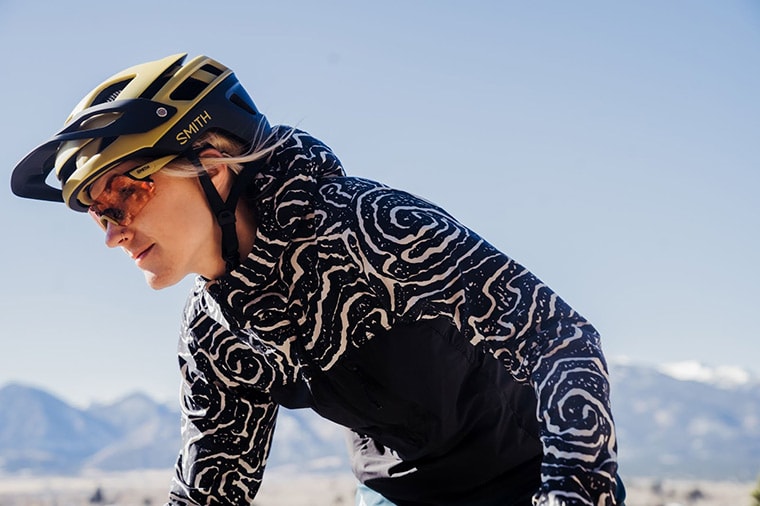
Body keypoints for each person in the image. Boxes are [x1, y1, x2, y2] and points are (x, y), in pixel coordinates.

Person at [11, 53, 625, 506]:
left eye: (125, 192)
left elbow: (559, 338)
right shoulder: (215, 335)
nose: (113, 232)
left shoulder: (373, 228)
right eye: (97, 210)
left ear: (214, 163)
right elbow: (210, 491)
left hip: (540, 473)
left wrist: (574, 492)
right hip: (395, 496)